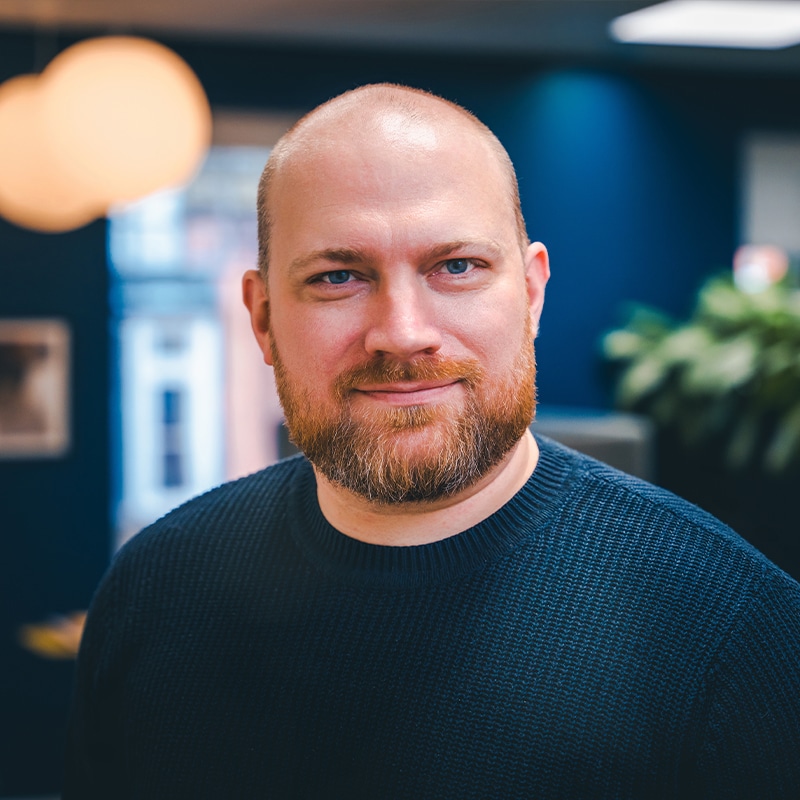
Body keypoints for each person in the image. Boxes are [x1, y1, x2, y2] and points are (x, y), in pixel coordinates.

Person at [64, 84, 800, 799]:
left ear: (532, 293)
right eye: (339, 276)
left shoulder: (734, 632)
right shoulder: (153, 589)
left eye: (457, 267)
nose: (403, 332)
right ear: (260, 317)